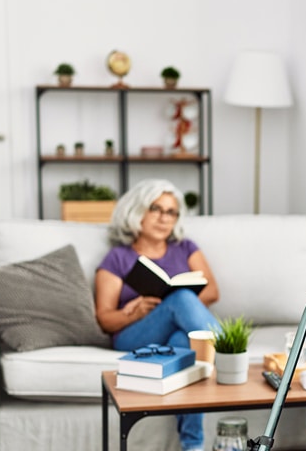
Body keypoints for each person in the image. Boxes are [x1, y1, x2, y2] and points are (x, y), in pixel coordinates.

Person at [93, 178, 221, 451]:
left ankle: (193, 445)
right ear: (137, 211)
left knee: (184, 345)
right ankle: (227, 349)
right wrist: (135, 311)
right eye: (156, 209)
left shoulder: (185, 247)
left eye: (171, 212)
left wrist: (171, 303)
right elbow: (105, 319)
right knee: (182, 298)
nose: (165, 218)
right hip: (134, 333)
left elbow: (212, 291)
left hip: (176, 331)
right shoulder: (118, 258)